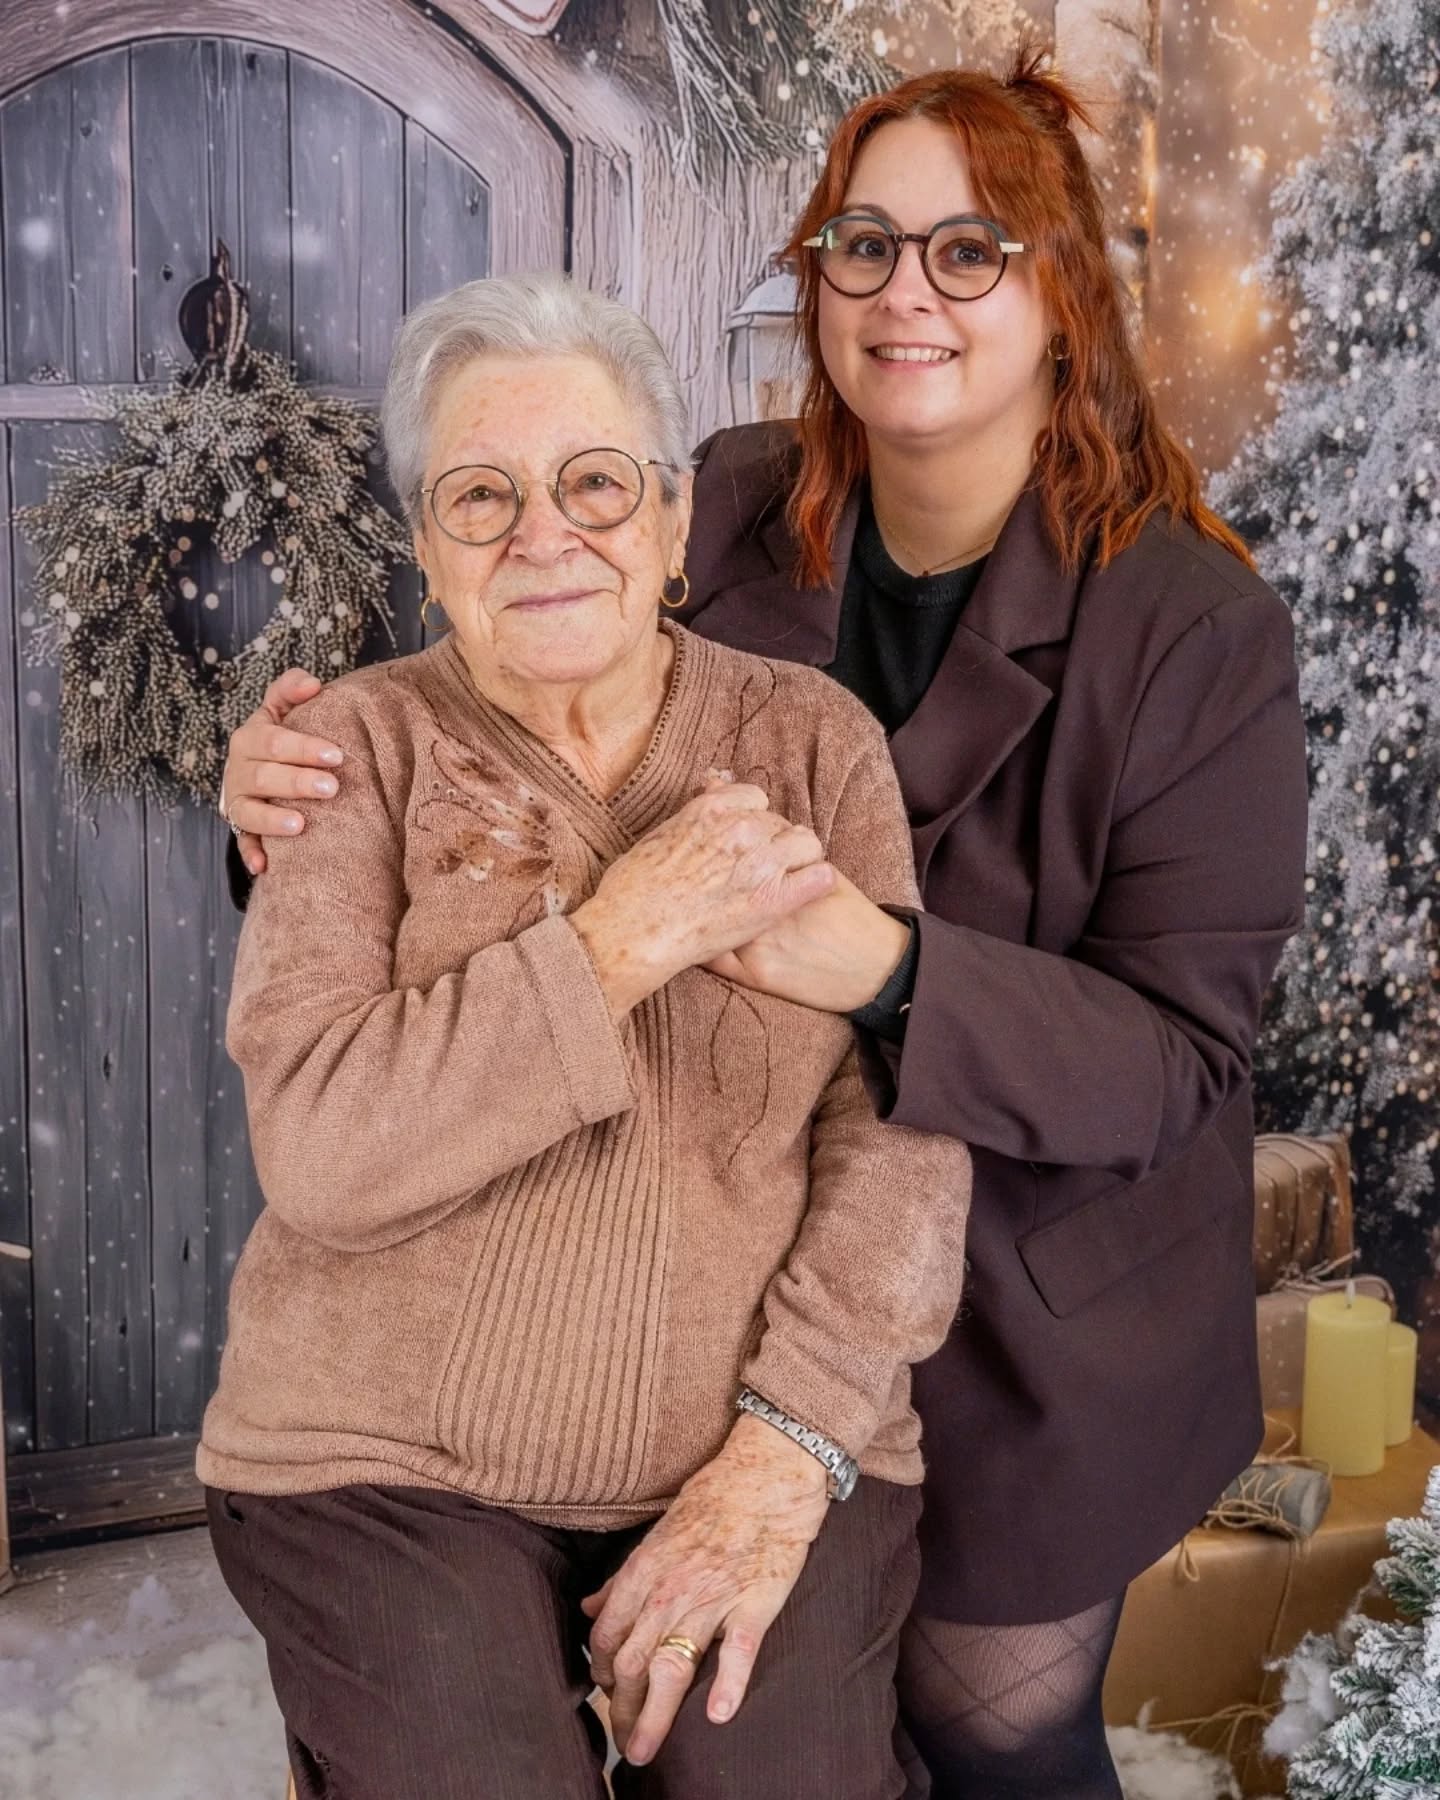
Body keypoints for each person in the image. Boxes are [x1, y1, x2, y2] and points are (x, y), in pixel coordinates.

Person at [217, 49, 1310, 1800]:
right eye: (862, 245)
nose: (904, 292)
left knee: (995, 1738)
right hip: (707, 1250)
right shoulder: (709, 492)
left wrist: (875, 969)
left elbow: (1178, 1060)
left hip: (1033, 1287)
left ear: (1065, 292)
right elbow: (456, 717)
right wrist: (284, 801)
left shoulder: (1194, 633)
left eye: (972, 250)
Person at [200, 272, 973, 1800]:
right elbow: (324, 1149)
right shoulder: (348, 750)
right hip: (382, 1464)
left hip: (755, 1425)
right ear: (428, 548)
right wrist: (623, 938)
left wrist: (788, 1443)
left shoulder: (816, 744)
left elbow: (902, 1120)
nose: (544, 534)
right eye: (480, 496)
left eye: (597, 483)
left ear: (675, 523)